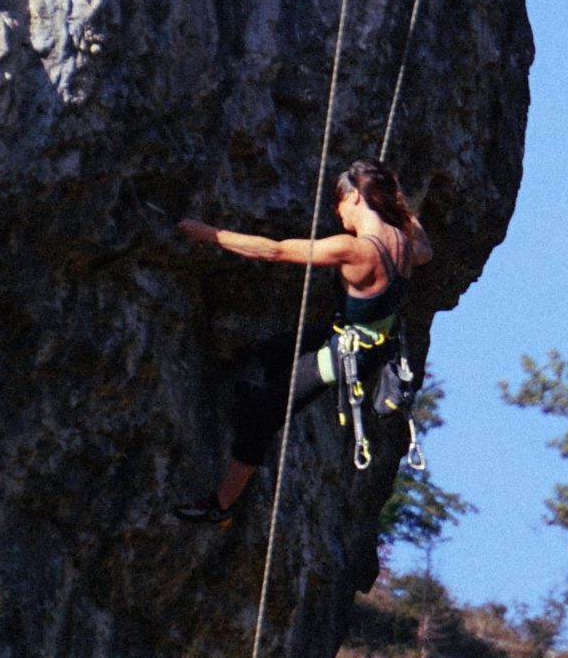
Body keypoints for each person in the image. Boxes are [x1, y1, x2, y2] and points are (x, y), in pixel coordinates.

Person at [171, 160, 432, 524]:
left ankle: (222, 505)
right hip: (367, 343)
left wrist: (208, 234)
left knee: (263, 416)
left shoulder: (354, 249)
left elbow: (274, 251)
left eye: (339, 201)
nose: (337, 211)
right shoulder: (403, 244)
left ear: (356, 197)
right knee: (276, 349)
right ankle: (266, 393)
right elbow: (425, 249)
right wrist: (403, 206)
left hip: (344, 354)